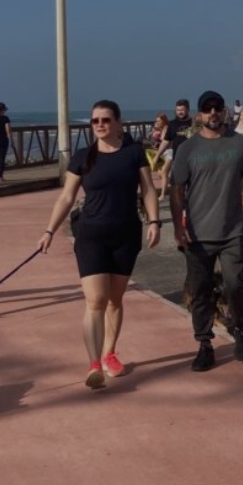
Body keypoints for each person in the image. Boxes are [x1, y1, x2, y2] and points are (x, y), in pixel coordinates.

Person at [37, 100, 161, 389]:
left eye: (106, 120)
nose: (100, 125)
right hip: (91, 235)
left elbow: (148, 190)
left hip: (126, 234)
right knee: (95, 301)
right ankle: (94, 364)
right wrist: (49, 230)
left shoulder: (134, 154)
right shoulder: (83, 156)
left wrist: (155, 222)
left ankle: (109, 353)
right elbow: (67, 197)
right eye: (95, 121)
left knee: (115, 300)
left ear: (119, 123)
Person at [169, 90, 243, 372]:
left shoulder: (240, 144)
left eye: (217, 108)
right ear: (199, 115)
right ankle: (204, 344)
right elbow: (176, 190)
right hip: (197, 235)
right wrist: (179, 226)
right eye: (207, 108)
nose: (213, 112)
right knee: (200, 291)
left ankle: (240, 327)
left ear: (224, 111)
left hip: (232, 231)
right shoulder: (188, 149)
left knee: (234, 283)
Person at [151, 99, 193, 201]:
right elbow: (165, 141)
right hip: (177, 160)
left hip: (193, 159)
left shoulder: (194, 122)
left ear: (187, 109)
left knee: (192, 185)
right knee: (177, 185)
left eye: (182, 110)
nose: (180, 112)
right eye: (178, 110)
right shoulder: (172, 124)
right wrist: (157, 156)